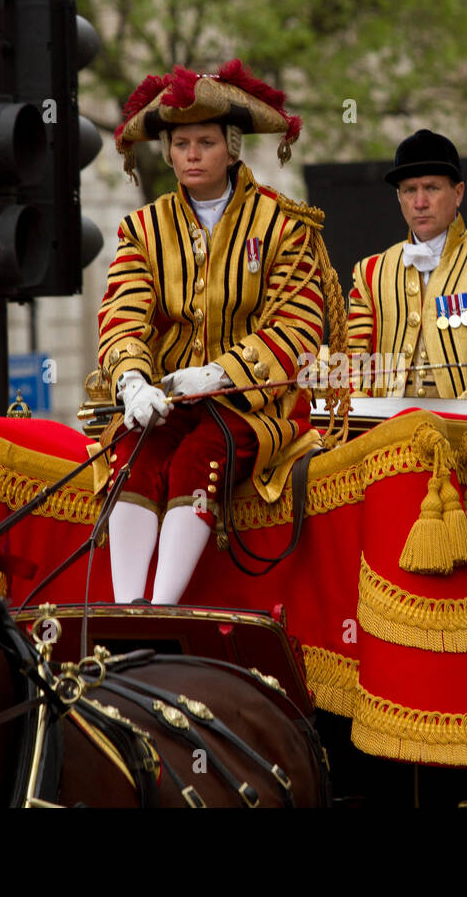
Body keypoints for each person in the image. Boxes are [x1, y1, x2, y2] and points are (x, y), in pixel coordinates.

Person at [100, 60, 343, 606]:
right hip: (166, 398)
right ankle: (125, 609)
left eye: (204, 142)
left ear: (232, 148)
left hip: (255, 405)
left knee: (198, 455)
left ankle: (161, 610)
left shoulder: (283, 225)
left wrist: (219, 374)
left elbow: (300, 326)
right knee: (131, 453)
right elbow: (122, 312)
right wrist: (134, 382)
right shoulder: (141, 229)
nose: (190, 154)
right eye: (180, 142)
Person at [346, 129, 467, 398]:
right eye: (409, 190)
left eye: (431, 188)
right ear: (398, 198)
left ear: (458, 193)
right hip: (387, 431)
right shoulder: (370, 272)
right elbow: (355, 364)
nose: (419, 203)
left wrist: (465, 414)